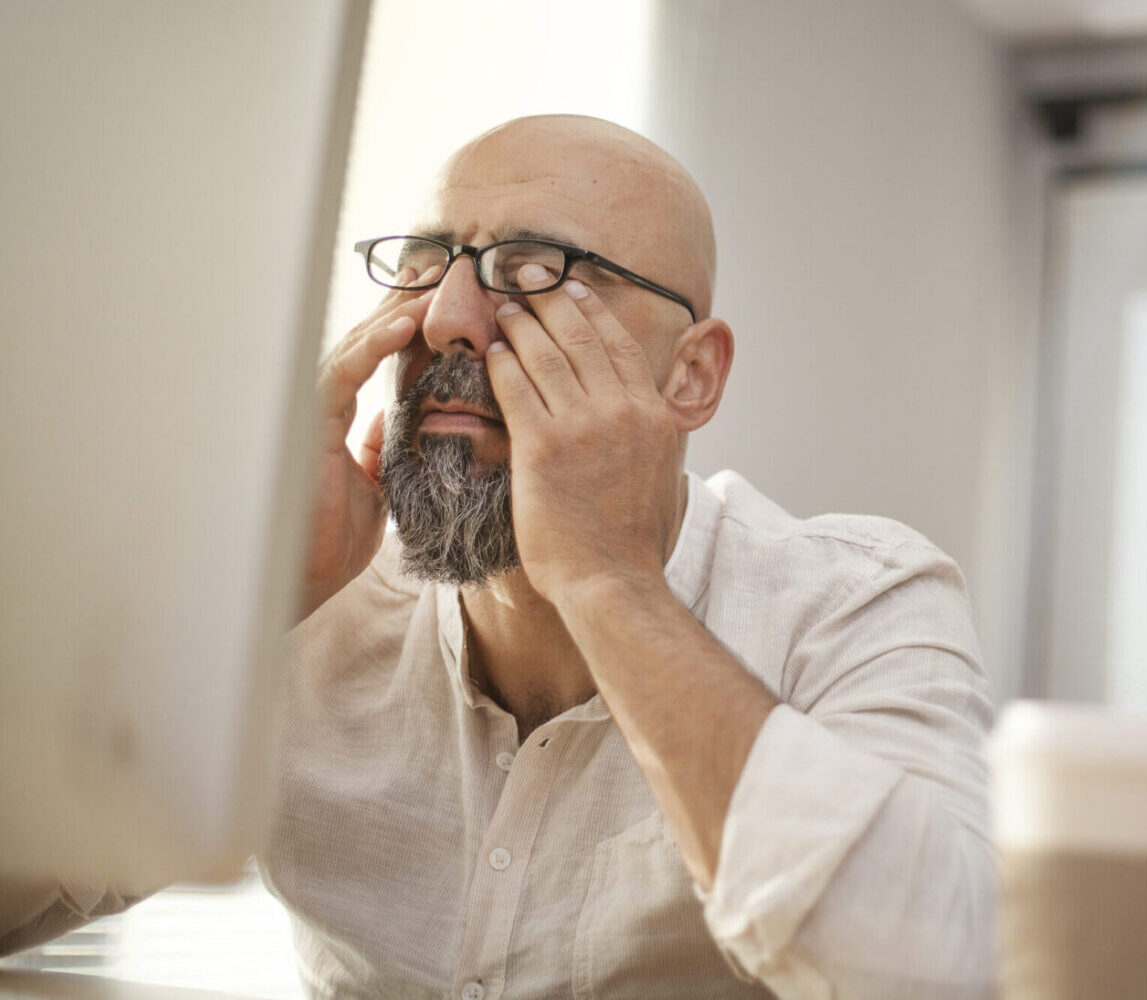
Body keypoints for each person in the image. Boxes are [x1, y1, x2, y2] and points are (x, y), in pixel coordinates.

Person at [1, 115, 995, 999]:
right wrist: (247, 607)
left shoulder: (859, 601)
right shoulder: (316, 601)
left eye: (534, 271)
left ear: (691, 374)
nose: (445, 320)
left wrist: (610, 582)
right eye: (430, 264)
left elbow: (938, 972)